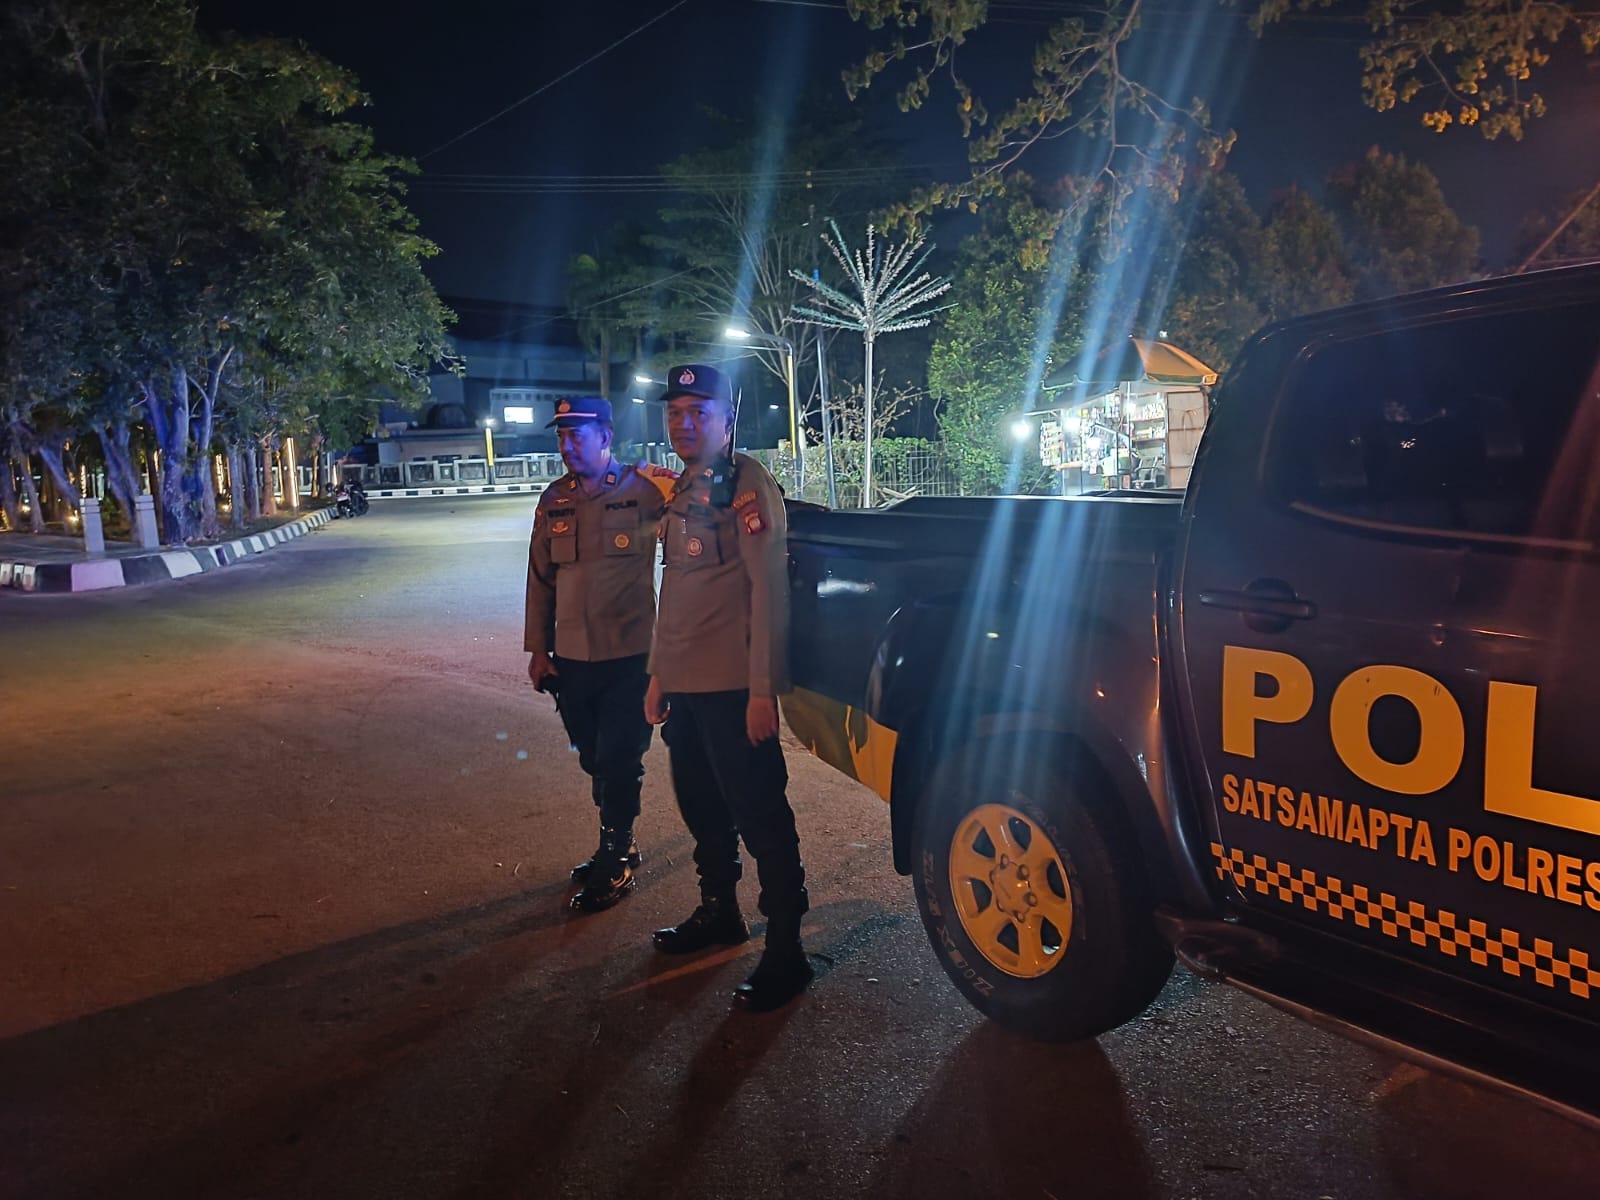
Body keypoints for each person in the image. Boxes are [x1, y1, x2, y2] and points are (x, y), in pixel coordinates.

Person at [645, 363, 813, 1013]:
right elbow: (678, 592)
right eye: (676, 413)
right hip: (686, 687)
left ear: (727, 418)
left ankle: (788, 950)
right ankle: (720, 911)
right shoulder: (686, 485)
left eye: (699, 413)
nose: (685, 423)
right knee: (702, 810)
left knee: (762, 817)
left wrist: (763, 689)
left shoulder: (749, 486)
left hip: (734, 686)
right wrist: (659, 675)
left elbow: (767, 591)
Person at [525, 397, 674, 913]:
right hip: (572, 658)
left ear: (606, 436)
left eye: (577, 436)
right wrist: (539, 651)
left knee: (619, 757)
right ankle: (618, 838)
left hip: (631, 656)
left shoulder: (647, 488)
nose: (567, 446)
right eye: (561, 437)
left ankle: (615, 856)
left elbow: (701, 507)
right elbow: (541, 579)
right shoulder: (554, 499)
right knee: (592, 756)